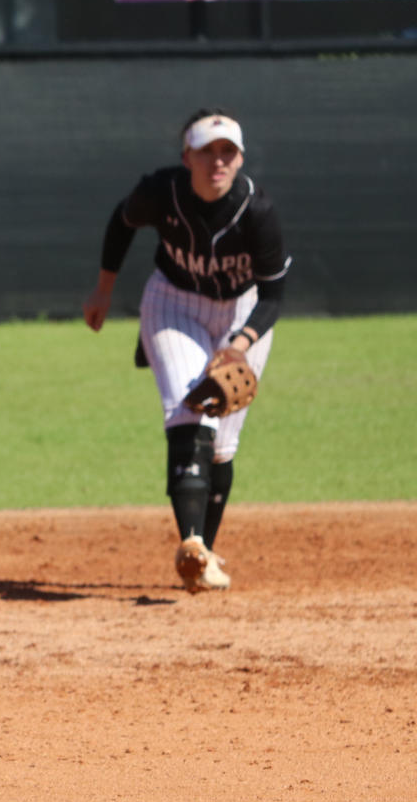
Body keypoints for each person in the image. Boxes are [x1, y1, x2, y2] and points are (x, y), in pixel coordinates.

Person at [83, 108, 291, 593]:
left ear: (239, 160)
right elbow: (122, 219)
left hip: (243, 315)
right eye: (206, 151)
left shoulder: (258, 211)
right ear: (187, 157)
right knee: (187, 411)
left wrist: (238, 347)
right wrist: (103, 290)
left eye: (227, 152)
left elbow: (275, 295)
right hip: (174, 303)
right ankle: (191, 543)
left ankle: (205, 557)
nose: (217, 161)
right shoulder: (162, 191)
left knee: (220, 446)